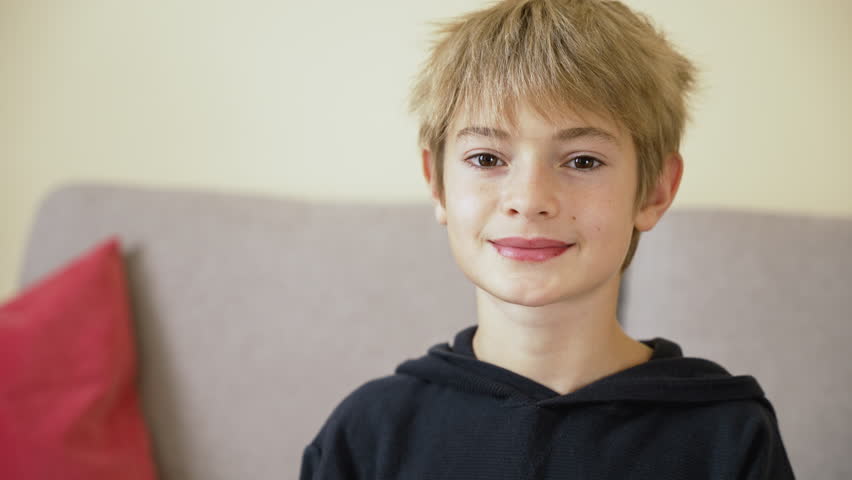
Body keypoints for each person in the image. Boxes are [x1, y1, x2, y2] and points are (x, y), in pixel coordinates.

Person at [299, 0, 795, 478]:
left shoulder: (728, 434)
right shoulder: (369, 432)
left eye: (582, 161)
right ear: (437, 183)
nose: (530, 199)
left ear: (656, 190)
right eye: (487, 159)